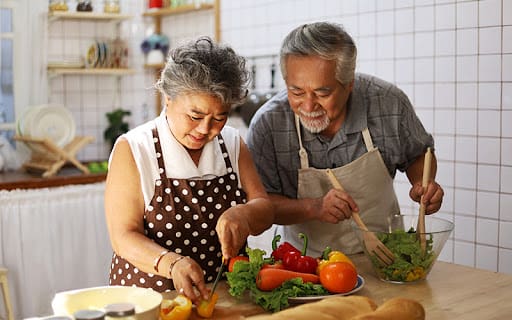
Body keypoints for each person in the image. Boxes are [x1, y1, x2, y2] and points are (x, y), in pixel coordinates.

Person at [246, 22, 444, 258]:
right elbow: (261, 206)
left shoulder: (387, 103)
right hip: (305, 265)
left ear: (349, 84)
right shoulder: (268, 124)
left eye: (322, 93)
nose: (308, 106)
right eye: (296, 92)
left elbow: (419, 153)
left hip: (385, 257)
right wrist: (314, 207)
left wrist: (424, 184)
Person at [105, 36, 274, 304]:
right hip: (150, 301)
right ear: (168, 98)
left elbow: (265, 208)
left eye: (219, 117)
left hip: (222, 298)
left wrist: (245, 213)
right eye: (195, 116)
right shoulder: (135, 149)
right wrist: (171, 263)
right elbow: (123, 236)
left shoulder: (231, 143)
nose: (205, 129)